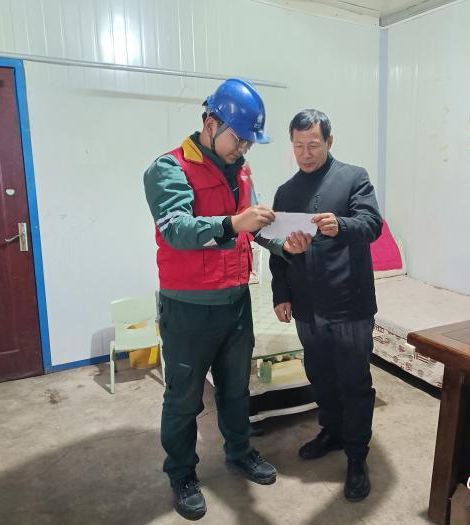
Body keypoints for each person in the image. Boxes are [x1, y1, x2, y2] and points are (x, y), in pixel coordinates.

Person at [143, 78, 310, 520]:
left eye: (250, 142)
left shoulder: (242, 172)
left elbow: (254, 228)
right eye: (240, 138)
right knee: (184, 399)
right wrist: (233, 223)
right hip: (188, 309)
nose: (244, 149)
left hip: (235, 302)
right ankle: (181, 472)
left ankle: (239, 452)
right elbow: (176, 230)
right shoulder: (169, 168)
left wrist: (285, 246)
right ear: (211, 123)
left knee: (236, 390)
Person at [269, 109, 382, 502]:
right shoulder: (286, 192)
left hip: (350, 304)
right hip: (307, 305)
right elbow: (278, 248)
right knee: (320, 376)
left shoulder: (353, 178)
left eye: (313, 145)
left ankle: (357, 456)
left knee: (354, 382)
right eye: (298, 146)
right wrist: (280, 293)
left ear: (329, 142)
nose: (306, 153)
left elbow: (372, 224)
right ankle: (332, 432)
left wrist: (342, 224)